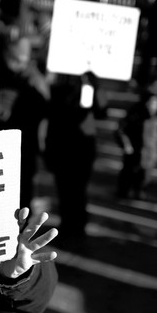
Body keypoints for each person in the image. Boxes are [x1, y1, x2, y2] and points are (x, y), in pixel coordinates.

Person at [44, 72, 106, 241]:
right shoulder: (56, 90)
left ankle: (77, 227)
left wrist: (95, 86)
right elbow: (51, 121)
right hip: (62, 147)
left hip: (81, 149)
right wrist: (48, 150)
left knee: (78, 190)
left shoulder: (89, 88)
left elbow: (102, 112)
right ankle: (68, 226)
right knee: (65, 190)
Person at [0, 34, 49, 209]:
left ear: (17, 59)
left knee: (22, 190)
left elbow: (41, 118)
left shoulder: (33, 82)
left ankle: (21, 227)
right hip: (11, 142)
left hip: (25, 146)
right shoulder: (13, 77)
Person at [115, 89, 157, 200]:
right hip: (133, 151)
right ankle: (123, 193)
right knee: (127, 174)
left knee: (144, 176)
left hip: (150, 153)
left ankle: (138, 192)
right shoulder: (135, 114)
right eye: (150, 102)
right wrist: (125, 144)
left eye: (155, 103)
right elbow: (121, 130)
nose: (152, 106)